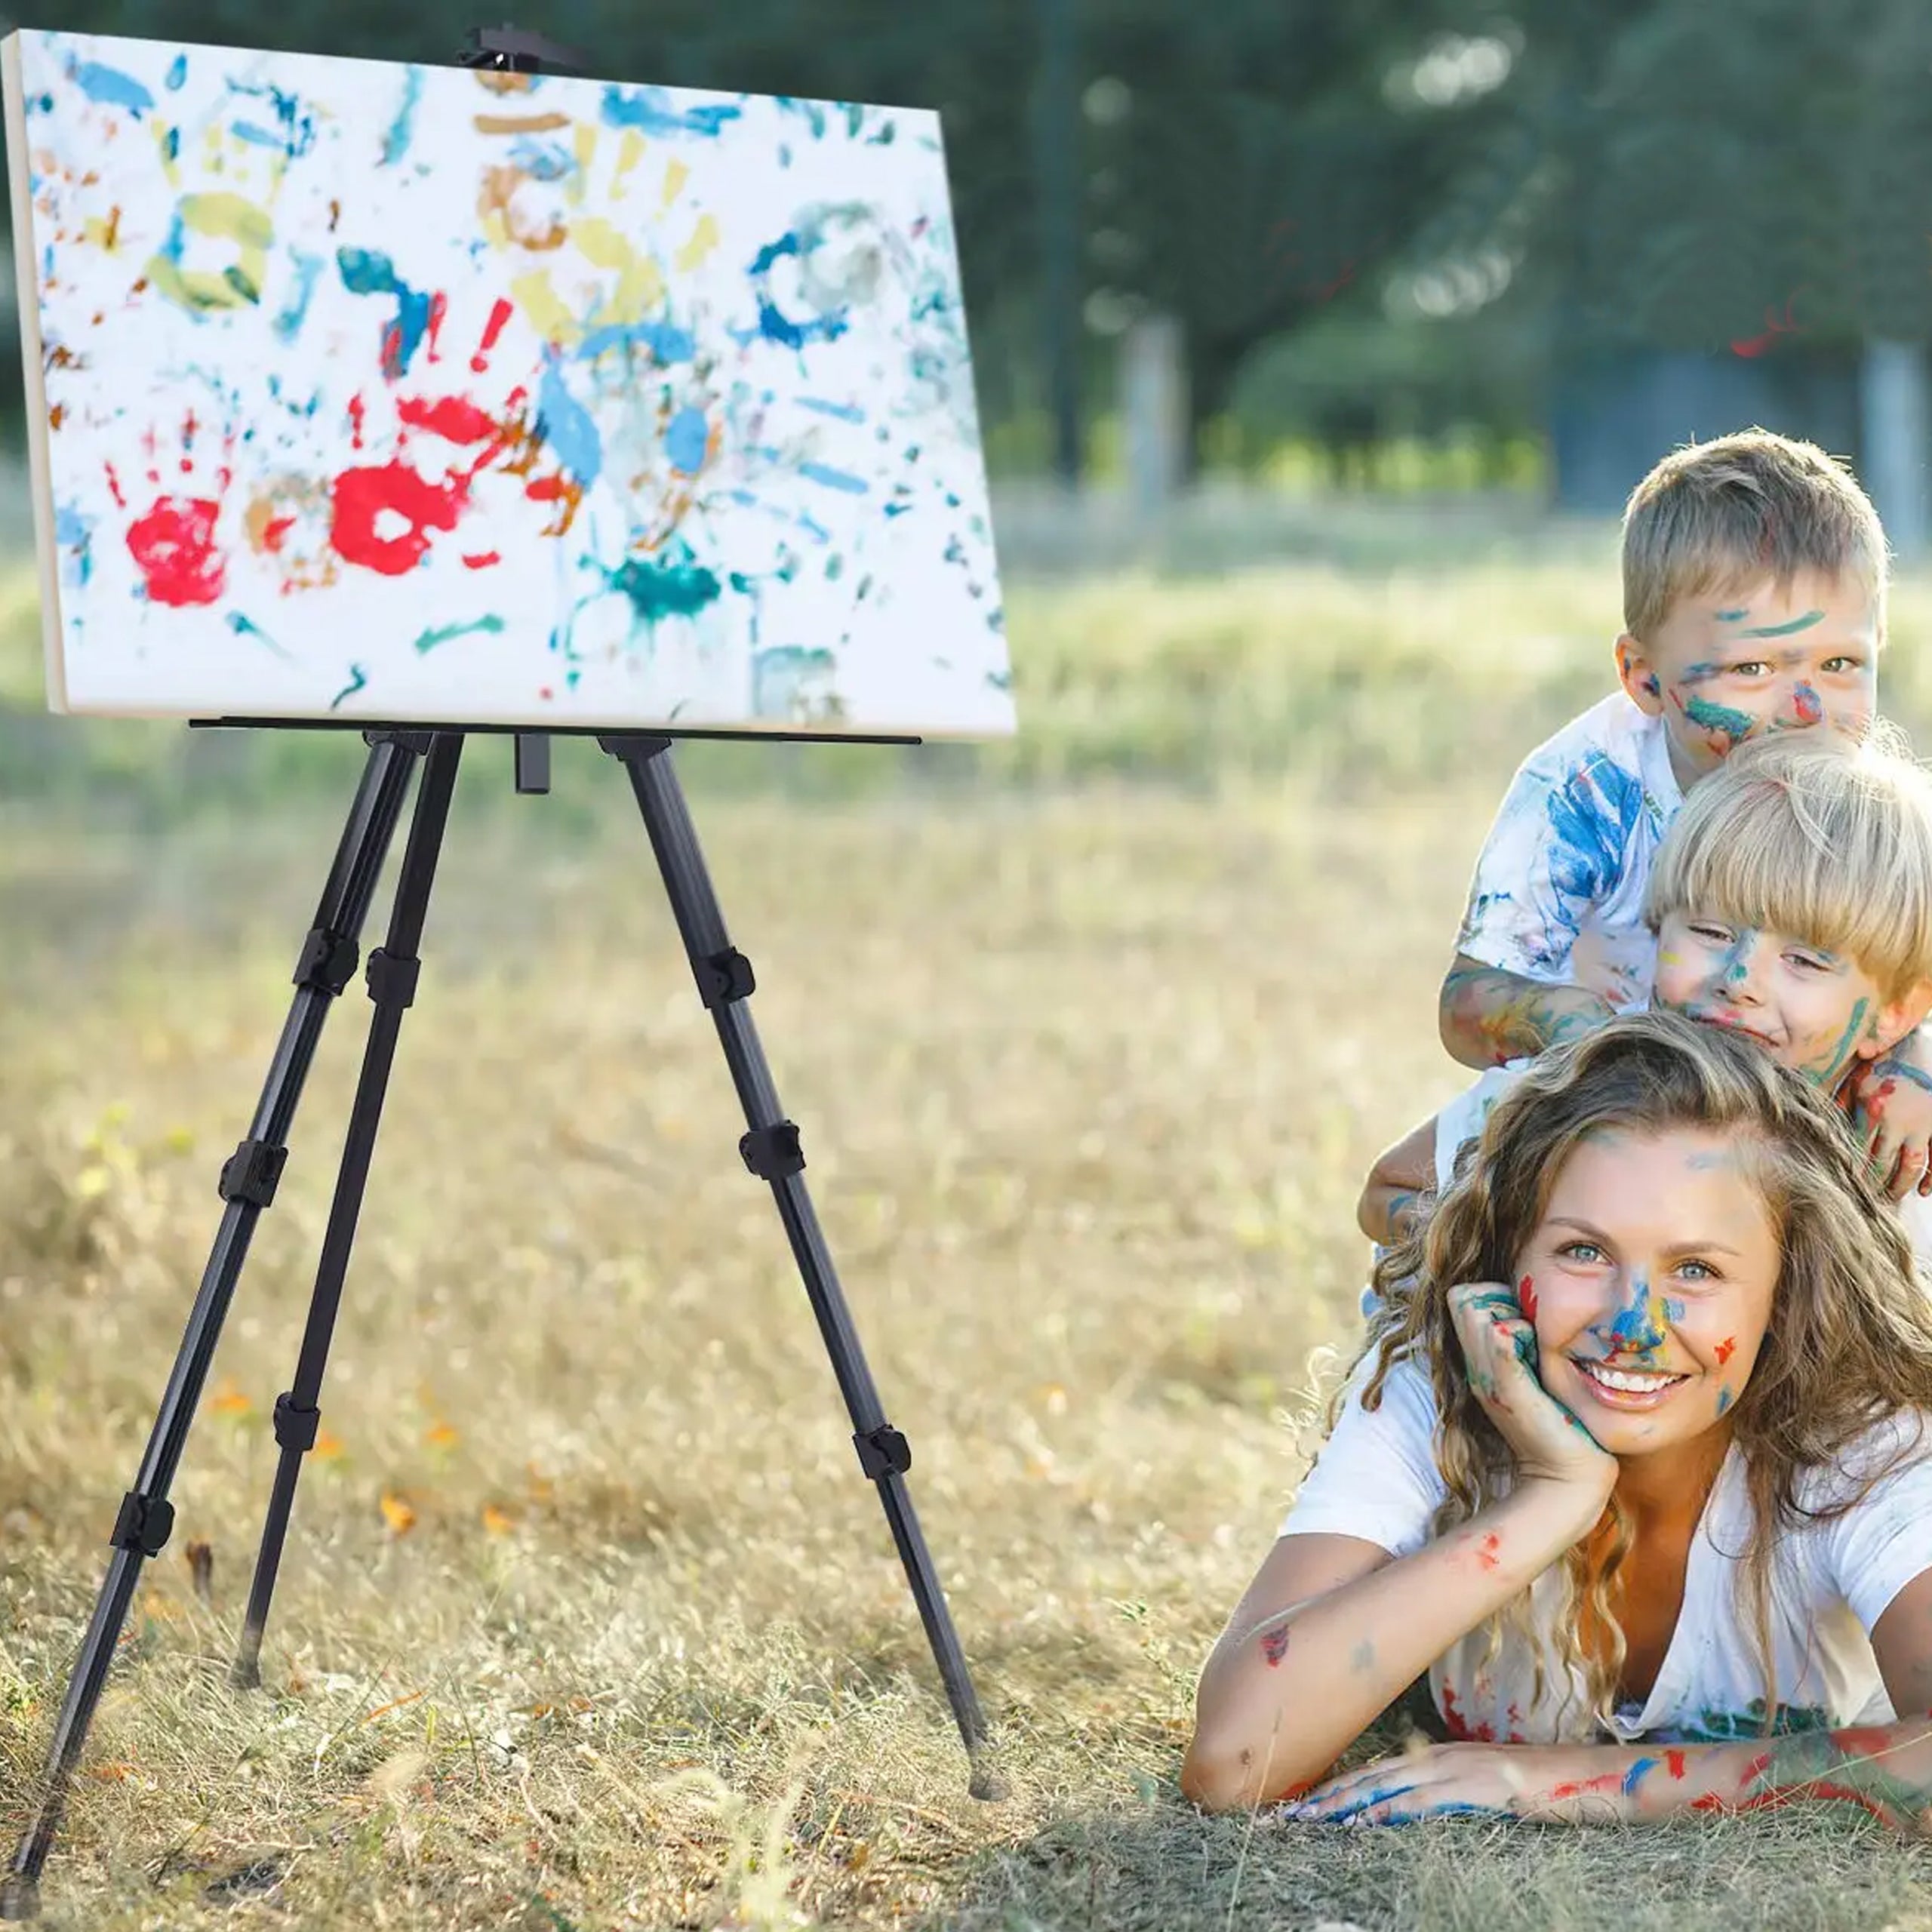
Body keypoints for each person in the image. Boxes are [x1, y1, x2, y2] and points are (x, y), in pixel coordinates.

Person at [1183, 1014, 1932, 1829]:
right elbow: (1233, 1761)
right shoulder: (1437, 1383)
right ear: (1509, 1254)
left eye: (1695, 1269)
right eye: (1583, 1252)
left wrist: (1573, 1781)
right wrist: (1553, 1493)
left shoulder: (1858, 1441)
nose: (1632, 1325)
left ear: (1786, 1291)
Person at [1435, 428, 1932, 1198]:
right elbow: (1466, 1004)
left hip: (1788, 1093)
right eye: (1751, 668)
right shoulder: (1583, 792)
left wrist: (1915, 1056)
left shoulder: (1871, 807)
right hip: (1608, 1106)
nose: (1806, 710)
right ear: (1643, 677)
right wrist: (1590, 1032)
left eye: (1840, 664)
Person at [1361, 729, 1932, 1263]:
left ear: (1897, 1013)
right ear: (1659, 929)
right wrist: (1537, 1254)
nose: (1739, 980)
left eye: (1803, 960)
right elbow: (1386, 1193)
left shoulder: (1898, 1150)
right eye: (1710, 932)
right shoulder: (1583, 1082)